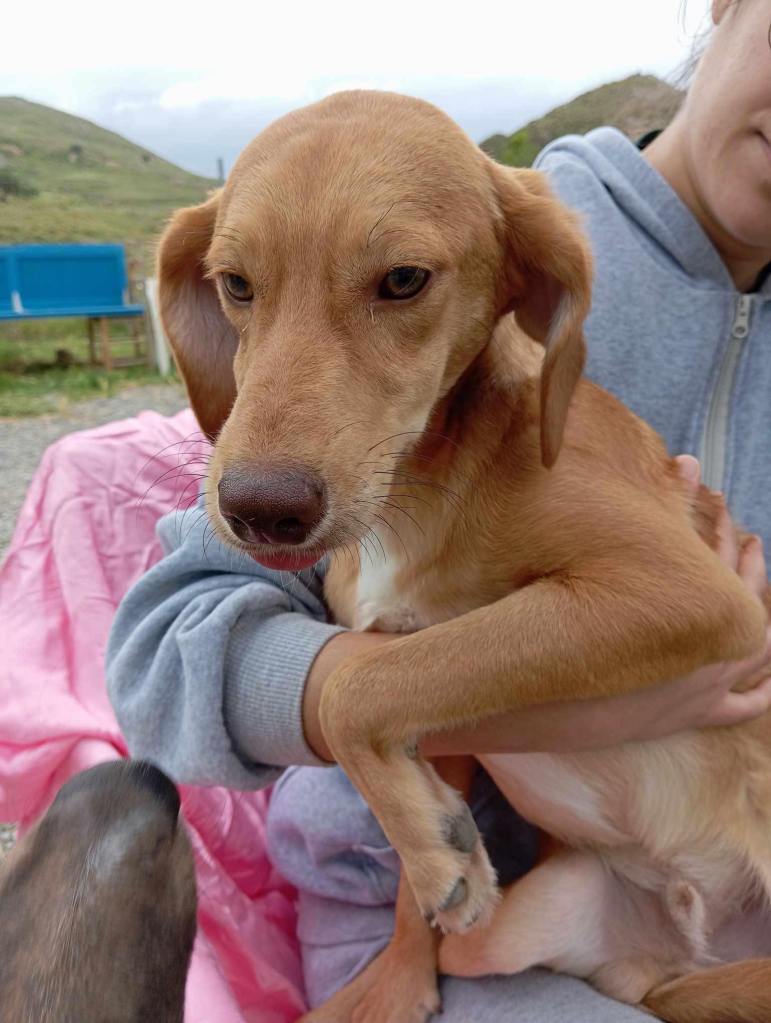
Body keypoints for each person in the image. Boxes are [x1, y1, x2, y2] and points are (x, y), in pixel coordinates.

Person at [107, 0, 771, 1019]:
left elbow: (699, 617)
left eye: (400, 283)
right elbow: (162, 656)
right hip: (456, 904)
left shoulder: (513, 332)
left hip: (690, 850)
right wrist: (354, 695)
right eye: (239, 287)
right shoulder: (458, 214)